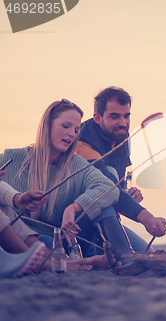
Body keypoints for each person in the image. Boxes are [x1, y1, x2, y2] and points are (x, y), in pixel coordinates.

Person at [0, 98, 134, 266]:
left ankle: (126, 258)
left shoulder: (76, 164)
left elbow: (110, 188)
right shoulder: (11, 158)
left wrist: (73, 207)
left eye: (77, 130)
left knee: (103, 204)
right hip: (28, 240)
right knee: (46, 244)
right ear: (47, 126)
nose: (72, 134)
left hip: (70, 241)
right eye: (66, 126)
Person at [76, 87, 166, 251]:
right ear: (97, 117)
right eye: (114, 116)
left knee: (148, 254)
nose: (123, 123)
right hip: (80, 223)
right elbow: (107, 189)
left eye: (126, 116)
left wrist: (127, 193)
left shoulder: (121, 137)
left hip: (111, 221)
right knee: (108, 174)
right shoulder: (82, 143)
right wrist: (147, 218)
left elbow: (117, 188)